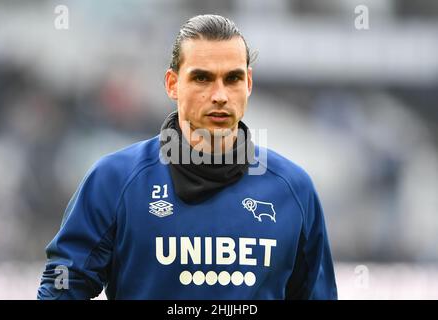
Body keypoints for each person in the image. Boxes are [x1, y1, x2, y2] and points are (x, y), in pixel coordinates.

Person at [37, 14, 337, 300]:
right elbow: (62, 285)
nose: (219, 95)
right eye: (202, 78)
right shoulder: (114, 180)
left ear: (248, 84)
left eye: (232, 78)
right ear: (172, 84)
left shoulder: (294, 190)